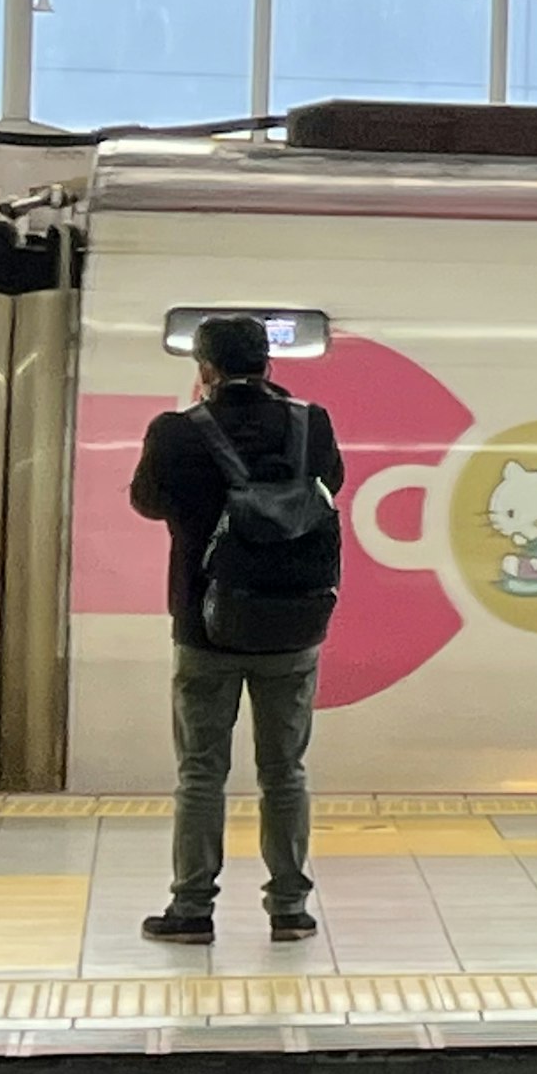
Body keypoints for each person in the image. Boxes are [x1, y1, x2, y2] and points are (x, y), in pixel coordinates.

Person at [127, 315, 345, 945]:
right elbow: (330, 488)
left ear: (206, 369)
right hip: (294, 626)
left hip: (204, 628)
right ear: (268, 363)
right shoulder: (313, 423)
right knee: (285, 771)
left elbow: (147, 501)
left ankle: (192, 910)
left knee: (201, 771)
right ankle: (289, 910)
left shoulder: (176, 432)